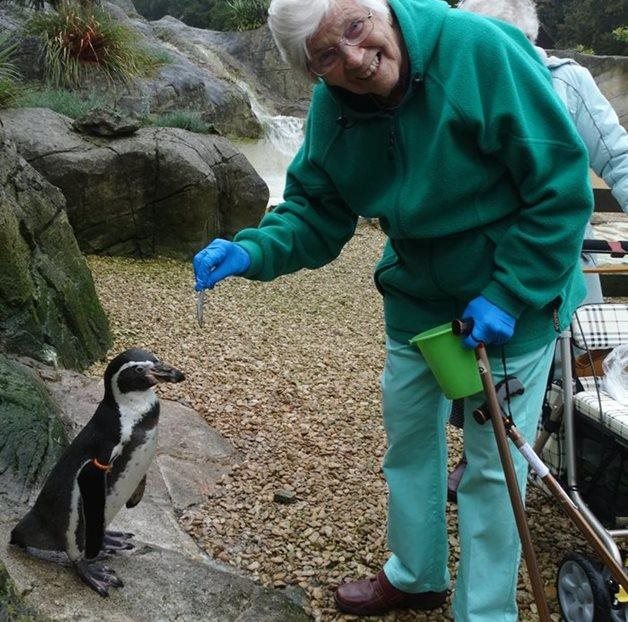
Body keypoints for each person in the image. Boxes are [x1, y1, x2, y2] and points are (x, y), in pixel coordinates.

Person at [193, 0, 593, 619]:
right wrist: (250, 251)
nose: (354, 58)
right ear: (311, 72)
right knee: (408, 443)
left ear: (380, 7)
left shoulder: (478, 51)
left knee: (493, 468)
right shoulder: (333, 109)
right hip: (418, 300)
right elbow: (316, 211)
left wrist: (512, 291)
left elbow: (561, 186)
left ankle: (483, 611)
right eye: (327, 55)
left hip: (512, 298)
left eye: (356, 28)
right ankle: (416, 574)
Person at [447, 0, 628, 503]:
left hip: (556, 251)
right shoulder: (452, 80)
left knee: (577, 354)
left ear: (529, 42)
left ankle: (578, 459)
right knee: (476, 355)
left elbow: (617, 156)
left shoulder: (565, 81)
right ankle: (481, 455)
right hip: (479, 258)